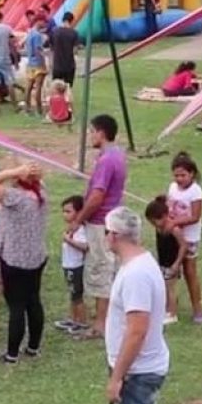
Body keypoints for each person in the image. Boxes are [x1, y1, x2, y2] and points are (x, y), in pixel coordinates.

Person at [103, 206, 169, 404]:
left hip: (136, 372)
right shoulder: (140, 263)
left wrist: (117, 376)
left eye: (107, 232)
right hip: (138, 367)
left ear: (115, 235)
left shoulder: (135, 275)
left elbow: (137, 330)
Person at [0, 163, 49, 364]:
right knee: (33, 300)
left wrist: (13, 171)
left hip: (14, 259)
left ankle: (11, 354)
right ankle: (33, 347)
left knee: (16, 306)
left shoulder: (14, 197)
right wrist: (28, 173)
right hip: (36, 256)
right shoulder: (41, 194)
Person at [71, 115, 128, 339]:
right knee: (108, 268)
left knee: (101, 270)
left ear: (101, 132)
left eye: (92, 131)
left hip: (100, 222)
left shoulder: (106, 161)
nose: (90, 135)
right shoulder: (118, 155)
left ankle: (100, 324)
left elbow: (97, 196)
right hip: (110, 219)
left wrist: (79, 218)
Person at [165, 152, 202, 323]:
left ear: (192, 174)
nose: (179, 179)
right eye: (176, 175)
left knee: (190, 272)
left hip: (189, 237)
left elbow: (194, 216)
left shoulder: (196, 192)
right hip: (174, 236)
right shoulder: (172, 187)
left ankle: (197, 308)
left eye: (183, 175)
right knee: (171, 272)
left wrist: (175, 222)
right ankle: (170, 308)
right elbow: (169, 206)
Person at [144, 198, 186, 326]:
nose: (154, 224)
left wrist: (177, 263)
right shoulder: (158, 228)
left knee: (171, 288)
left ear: (165, 216)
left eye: (156, 221)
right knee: (164, 287)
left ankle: (172, 314)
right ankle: (167, 310)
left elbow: (184, 246)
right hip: (162, 262)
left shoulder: (174, 229)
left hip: (172, 263)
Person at [55, 196, 89, 334]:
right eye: (63, 211)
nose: (65, 215)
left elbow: (85, 246)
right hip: (68, 265)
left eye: (68, 211)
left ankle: (81, 322)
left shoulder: (81, 229)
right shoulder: (72, 228)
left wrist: (69, 240)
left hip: (75, 267)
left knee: (77, 295)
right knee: (72, 294)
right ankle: (73, 318)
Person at [48, 11, 80, 87]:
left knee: (55, 88)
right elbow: (75, 50)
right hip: (69, 65)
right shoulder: (74, 33)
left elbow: (51, 48)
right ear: (71, 21)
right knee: (67, 88)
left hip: (57, 65)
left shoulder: (54, 32)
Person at [23, 16, 48, 115]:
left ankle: (27, 108)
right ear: (39, 21)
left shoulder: (29, 33)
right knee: (38, 87)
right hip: (38, 64)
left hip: (30, 63)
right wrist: (43, 63)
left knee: (28, 87)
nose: (45, 25)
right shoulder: (37, 35)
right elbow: (38, 50)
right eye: (44, 22)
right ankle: (39, 109)